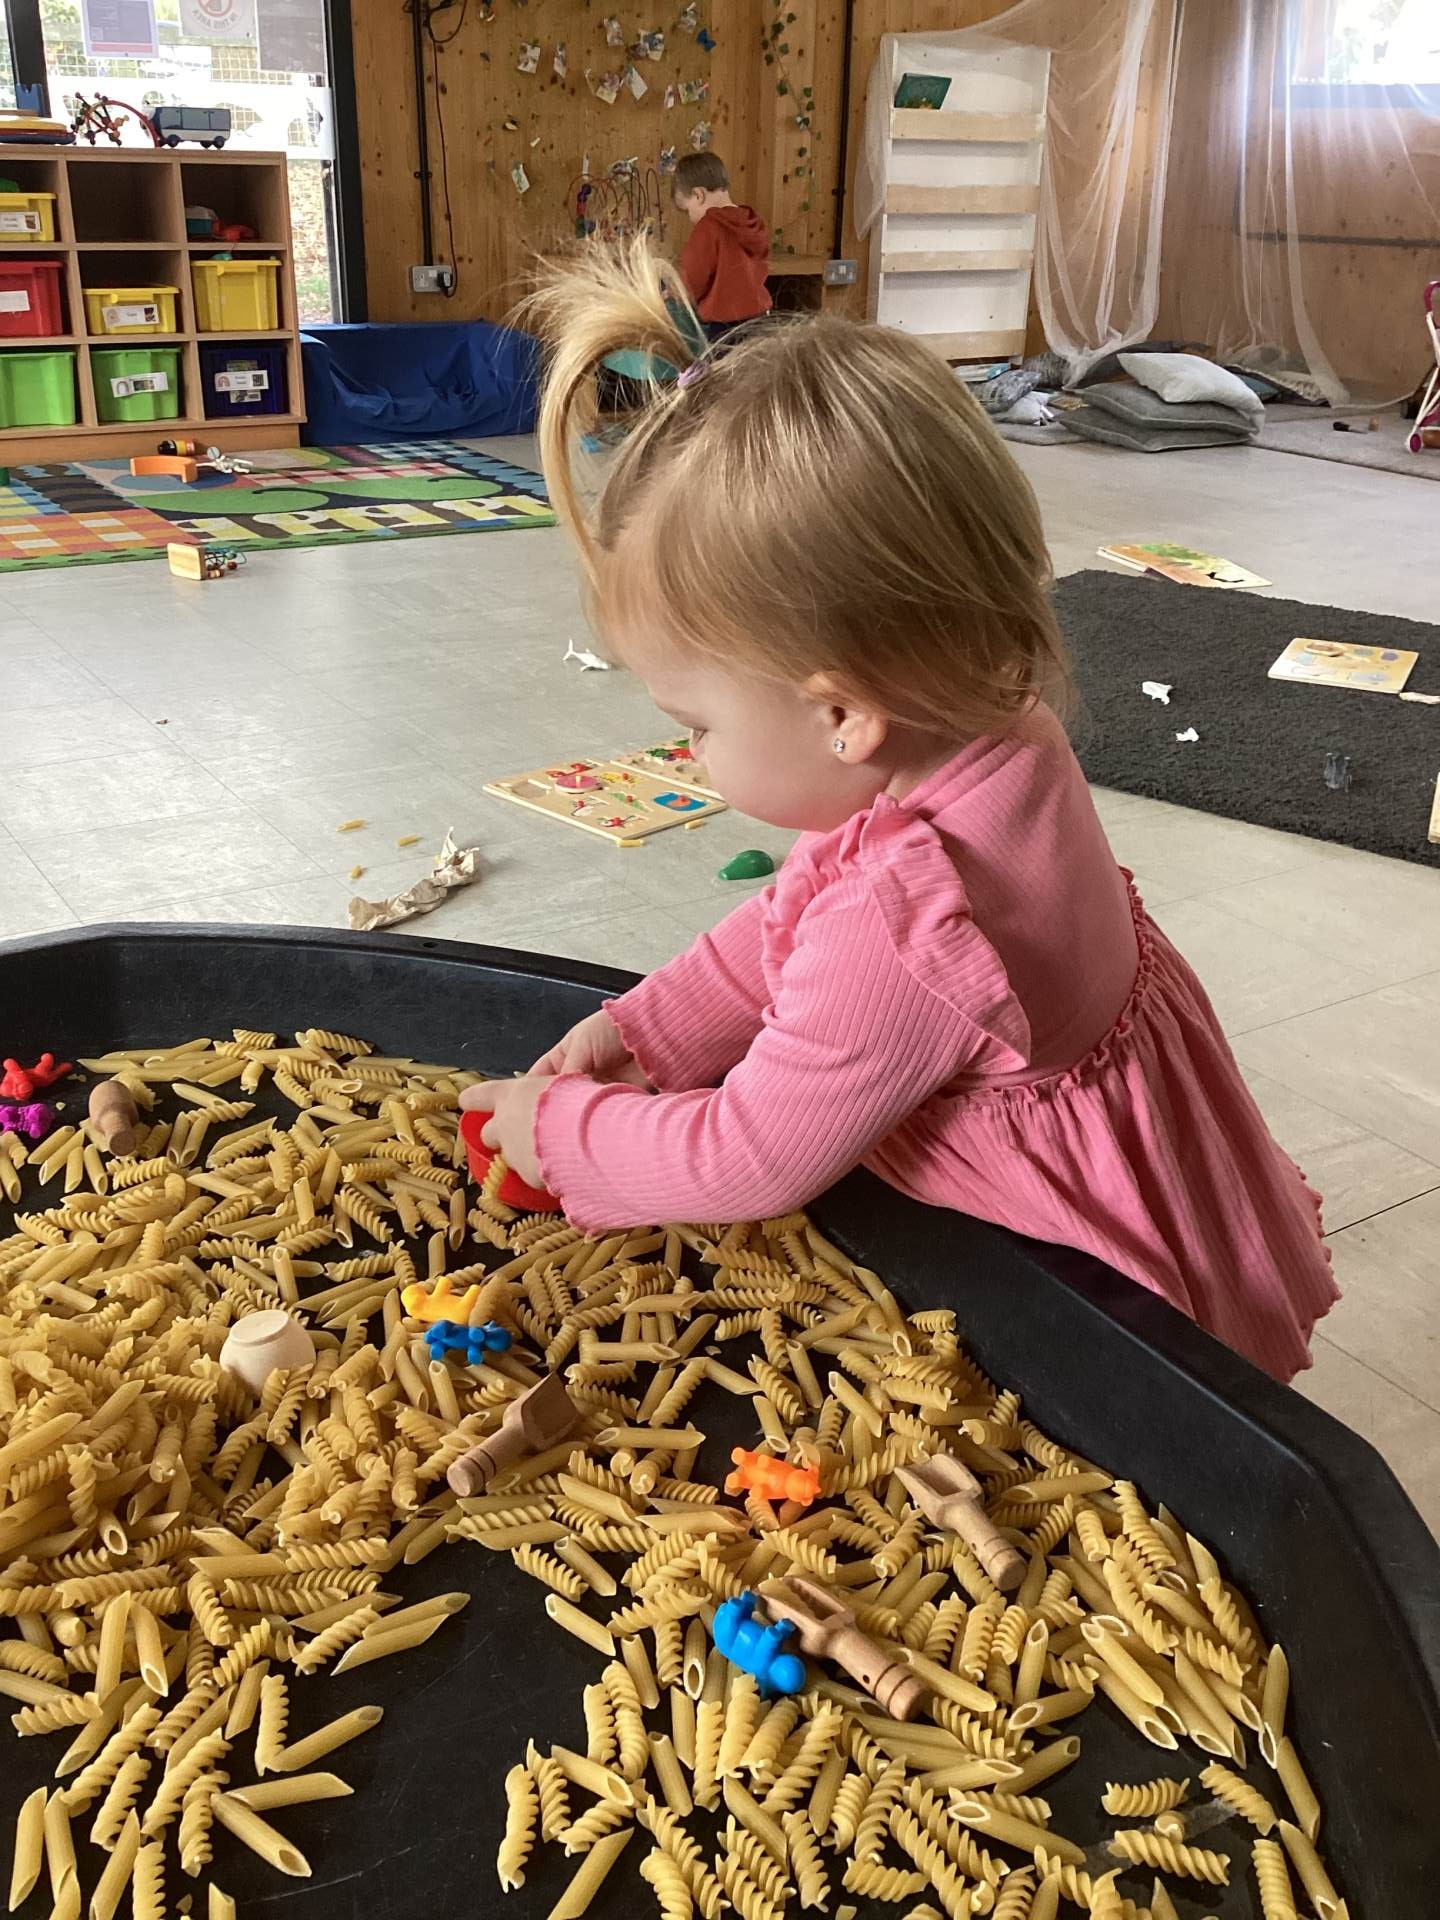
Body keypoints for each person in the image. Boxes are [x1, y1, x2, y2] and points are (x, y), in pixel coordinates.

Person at [466, 242, 1338, 1383]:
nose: (687, 751)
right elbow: (791, 919)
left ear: (843, 715)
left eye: (694, 722)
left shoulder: (899, 927)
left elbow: (746, 1156)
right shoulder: (993, 719)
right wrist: (646, 1032)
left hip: (1043, 1254)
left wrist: (562, 1135)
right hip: (1134, 1134)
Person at [671, 151, 772, 345]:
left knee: (722, 365)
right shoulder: (752, 221)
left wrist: (676, 291)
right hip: (761, 318)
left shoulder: (709, 227)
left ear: (699, 195)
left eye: (687, 210)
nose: (690, 218)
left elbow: (693, 277)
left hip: (726, 327)